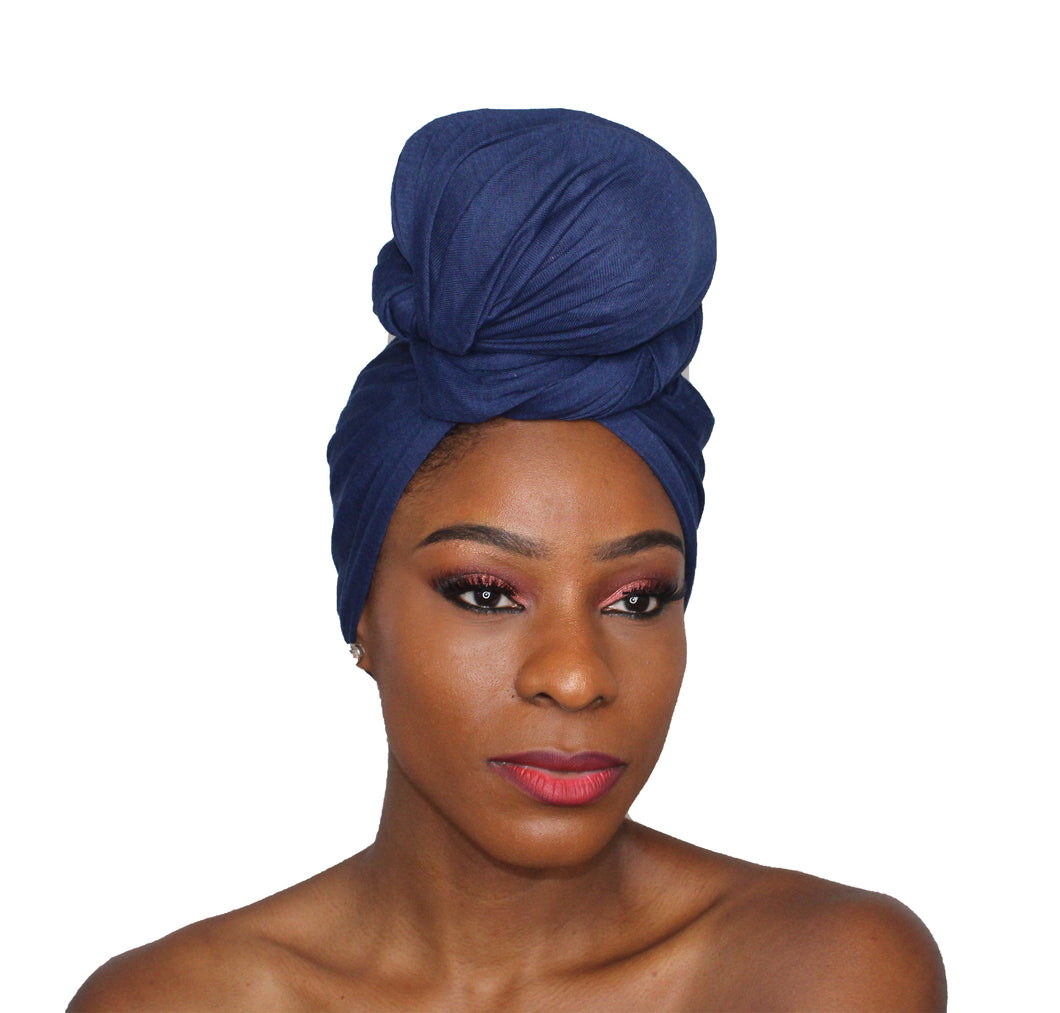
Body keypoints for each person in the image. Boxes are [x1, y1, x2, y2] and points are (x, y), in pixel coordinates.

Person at [69, 109, 946, 1012]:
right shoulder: (167, 1001)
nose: (575, 676)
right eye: (487, 593)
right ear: (363, 611)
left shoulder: (822, 973)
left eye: (638, 599)